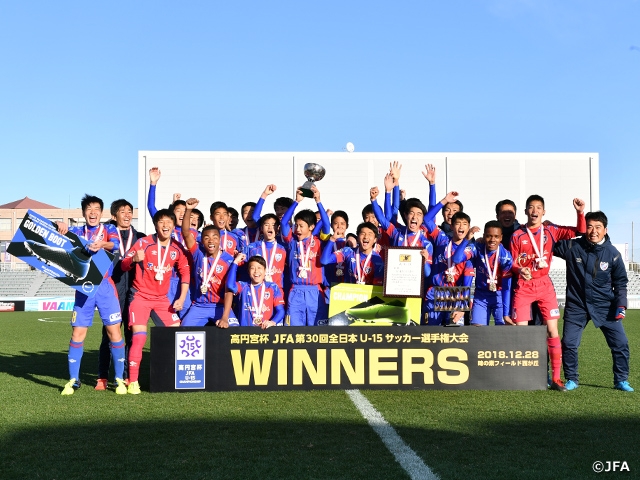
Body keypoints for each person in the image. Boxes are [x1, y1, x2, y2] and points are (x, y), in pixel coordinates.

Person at [510, 195, 586, 391]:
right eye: (531, 207)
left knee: (552, 331)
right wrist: (520, 270)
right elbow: (512, 262)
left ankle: (556, 378)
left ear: (544, 212)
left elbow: (580, 231)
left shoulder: (551, 230)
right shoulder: (517, 235)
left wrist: (580, 212)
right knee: (522, 333)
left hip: (544, 285)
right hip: (524, 286)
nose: (534, 211)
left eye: (538, 208)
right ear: (525, 211)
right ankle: (527, 377)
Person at [553, 211, 633, 392]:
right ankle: (572, 379)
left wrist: (621, 305)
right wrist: (548, 227)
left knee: (620, 344)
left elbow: (621, 282)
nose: (593, 231)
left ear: (605, 229)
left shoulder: (613, 254)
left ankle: (621, 380)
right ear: (584, 228)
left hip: (606, 306)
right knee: (569, 343)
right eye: (589, 226)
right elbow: (547, 243)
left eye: (598, 227)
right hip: (577, 305)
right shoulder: (572, 246)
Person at [55, 194, 127, 395]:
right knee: (78, 334)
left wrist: (101, 244)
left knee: (115, 333)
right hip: (84, 290)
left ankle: (119, 379)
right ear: (84, 212)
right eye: (89, 209)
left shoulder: (109, 229)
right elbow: (61, 234)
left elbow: (115, 245)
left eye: (96, 209)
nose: (93, 212)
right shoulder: (78, 231)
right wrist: (58, 225)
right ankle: (73, 380)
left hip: (105, 287)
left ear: (101, 212)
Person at [121, 209, 190, 394]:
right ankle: (133, 381)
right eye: (161, 222)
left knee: (177, 335)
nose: (165, 225)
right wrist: (134, 259)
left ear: (174, 225)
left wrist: (182, 298)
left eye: (169, 222)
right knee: (139, 338)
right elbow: (123, 263)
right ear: (155, 225)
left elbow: (185, 272)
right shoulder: (143, 243)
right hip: (140, 297)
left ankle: (170, 376)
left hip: (162, 300)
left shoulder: (177, 248)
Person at [95, 199, 145, 390]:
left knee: (131, 333)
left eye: (129, 211)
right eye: (122, 212)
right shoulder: (106, 234)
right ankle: (102, 376)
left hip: (134, 289)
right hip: (112, 287)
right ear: (114, 216)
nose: (127, 215)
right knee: (109, 334)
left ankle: (125, 376)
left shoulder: (140, 237)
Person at [180, 198, 237, 327]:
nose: (211, 241)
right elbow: (185, 233)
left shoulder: (228, 260)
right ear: (202, 241)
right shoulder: (198, 253)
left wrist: (225, 317)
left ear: (220, 240)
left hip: (220, 305)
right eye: (207, 238)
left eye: (214, 238)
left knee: (234, 332)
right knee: (184, 331)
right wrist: (188, 210)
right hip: (199, 306)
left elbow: (229, 290)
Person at [280, 185, 331, 326]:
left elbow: (326, 224)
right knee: (293, 331)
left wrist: (318, 201)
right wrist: (296, 202)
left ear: (311, 227)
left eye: (301, 225)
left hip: (315, 291)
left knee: (317, 330)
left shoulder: (320, 242)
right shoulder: (291, 242)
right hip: (296, 290)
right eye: (296, 225)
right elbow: (284, 222)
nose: (297, 229)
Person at [453, 221, 513, 326]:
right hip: (481, 296)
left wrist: (506, 314)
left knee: (503, 331)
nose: (492, 240)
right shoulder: (477, 248)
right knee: (478, 332)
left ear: (501, 238)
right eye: (489, 236)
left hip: (499, 296)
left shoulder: (506, 257)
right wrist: (467, 239)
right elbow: (457, 259)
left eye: (496, 236)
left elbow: (506, 287)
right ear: (484, 236)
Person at [226, 254, 285, 327]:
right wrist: (235, 262)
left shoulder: (272, 287)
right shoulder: (243, 286)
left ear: (265, 271)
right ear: (248, 271)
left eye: (259, 268)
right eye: (252, 268)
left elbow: (280, 311)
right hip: (246, 333)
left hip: (266, 332)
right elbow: (230, 285)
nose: (256, 271)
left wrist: (272, 322)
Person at [321, 222, 385, 286]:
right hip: (349, 294)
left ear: (375, 240)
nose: (366, 237)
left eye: (370, 234)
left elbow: (377, 287)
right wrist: (332, 239)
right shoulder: (348, 252)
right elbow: (325, 260)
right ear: (357, 238)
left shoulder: (377, 260)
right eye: (363, 233)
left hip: (368, 295)